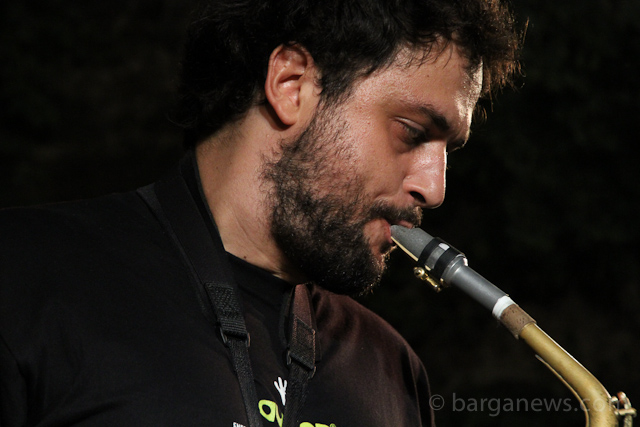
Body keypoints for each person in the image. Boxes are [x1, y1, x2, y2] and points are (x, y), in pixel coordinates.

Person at [0, 0, 520, 425]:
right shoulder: (24, 273)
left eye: (449, 150)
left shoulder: (394, 373)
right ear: (291, 85)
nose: (434, 188)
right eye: (412, 131)